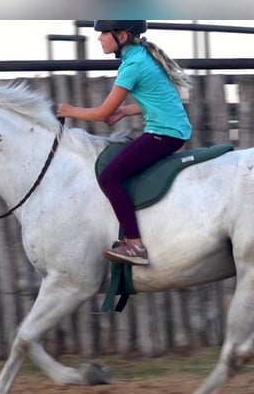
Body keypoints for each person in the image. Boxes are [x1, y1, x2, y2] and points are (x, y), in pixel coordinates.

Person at [57, 20, 192, 266]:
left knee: (109, 177)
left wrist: (68, 109)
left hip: (165, 134)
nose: (99, 39)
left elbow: (101, 114)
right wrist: (124, 112)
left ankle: (135, 245)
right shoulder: (141, 56)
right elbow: (156, 99)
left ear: (122, 35)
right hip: (173, 131)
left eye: (103, 34)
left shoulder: (133, 64)